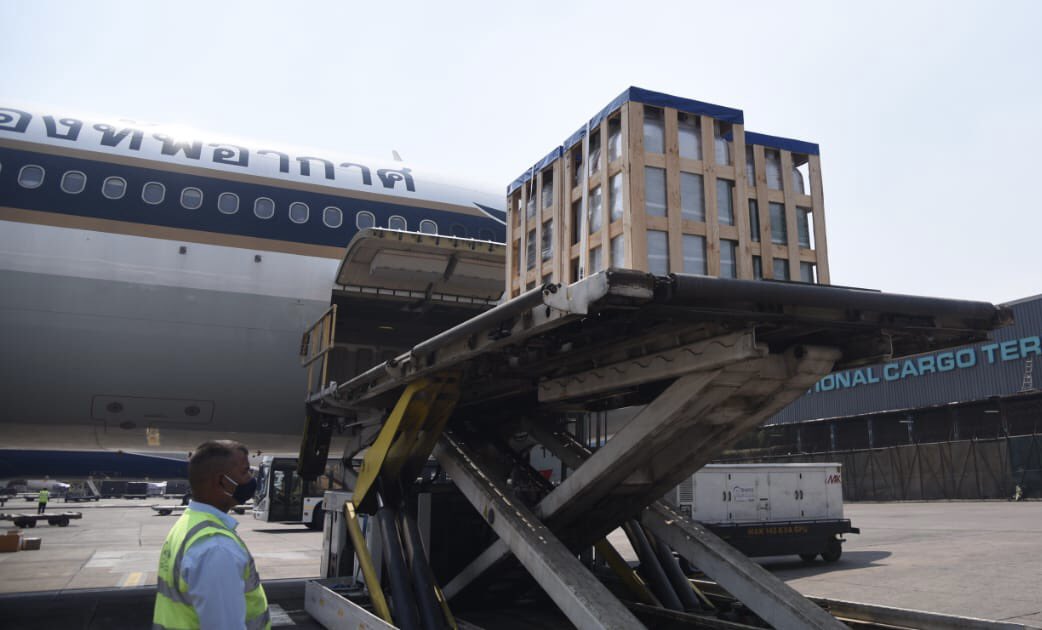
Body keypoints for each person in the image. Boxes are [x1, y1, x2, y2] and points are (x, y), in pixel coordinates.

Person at [153, 440, 270, 630]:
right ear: (221, 481)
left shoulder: (188, 524)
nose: (250, 479)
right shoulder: (217, 548)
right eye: (245, 472)